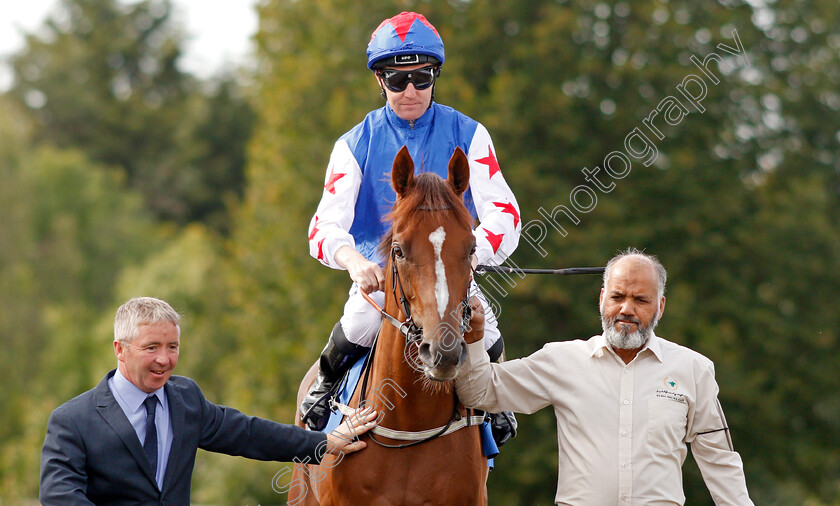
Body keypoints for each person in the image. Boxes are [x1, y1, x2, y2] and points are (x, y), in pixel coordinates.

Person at [302, 10, 522, 445]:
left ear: (434, 76)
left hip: (452, 270)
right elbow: (323, 226)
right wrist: (354, 263)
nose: (410, 91)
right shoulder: (354, 143)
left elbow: (506, 213)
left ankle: (499, 408)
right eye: (397, 79)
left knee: (487, 325)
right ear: (379, 80)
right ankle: (323, 388)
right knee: (363, 316)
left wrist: (474, 252)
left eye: (421, 78)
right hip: (388, 273)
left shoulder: (471, 134)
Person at [456, 249, 754, 504]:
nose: (627, 309)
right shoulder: (562, 360)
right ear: (602, 299)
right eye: (617, 296)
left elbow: (720, 461)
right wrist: (474, 337)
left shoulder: (693, 369)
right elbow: (479, 393)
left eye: (641, 299)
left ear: (660, 306)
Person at [40, 297, 377, 505]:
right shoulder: (71, 421)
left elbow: (249, 434)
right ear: (120, 349)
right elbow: (59, 496)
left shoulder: (185, 398)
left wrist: (325, 442)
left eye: (172, 347)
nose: (164, 359)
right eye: (151, 347)